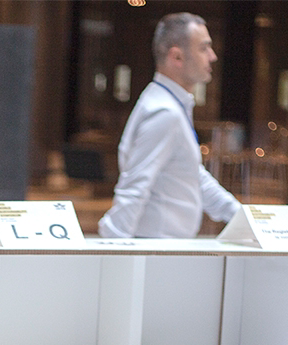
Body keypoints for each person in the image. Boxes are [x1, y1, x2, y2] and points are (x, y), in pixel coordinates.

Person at [98, 13, 240, 239]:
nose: (212, 56)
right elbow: (135, 187)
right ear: (177, 57)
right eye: (204, 48)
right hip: (156, 248)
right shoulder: (164, 112)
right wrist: (113, 247)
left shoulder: (169, 104)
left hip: (164, 247)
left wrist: (242, 217)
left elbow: (193, 176)